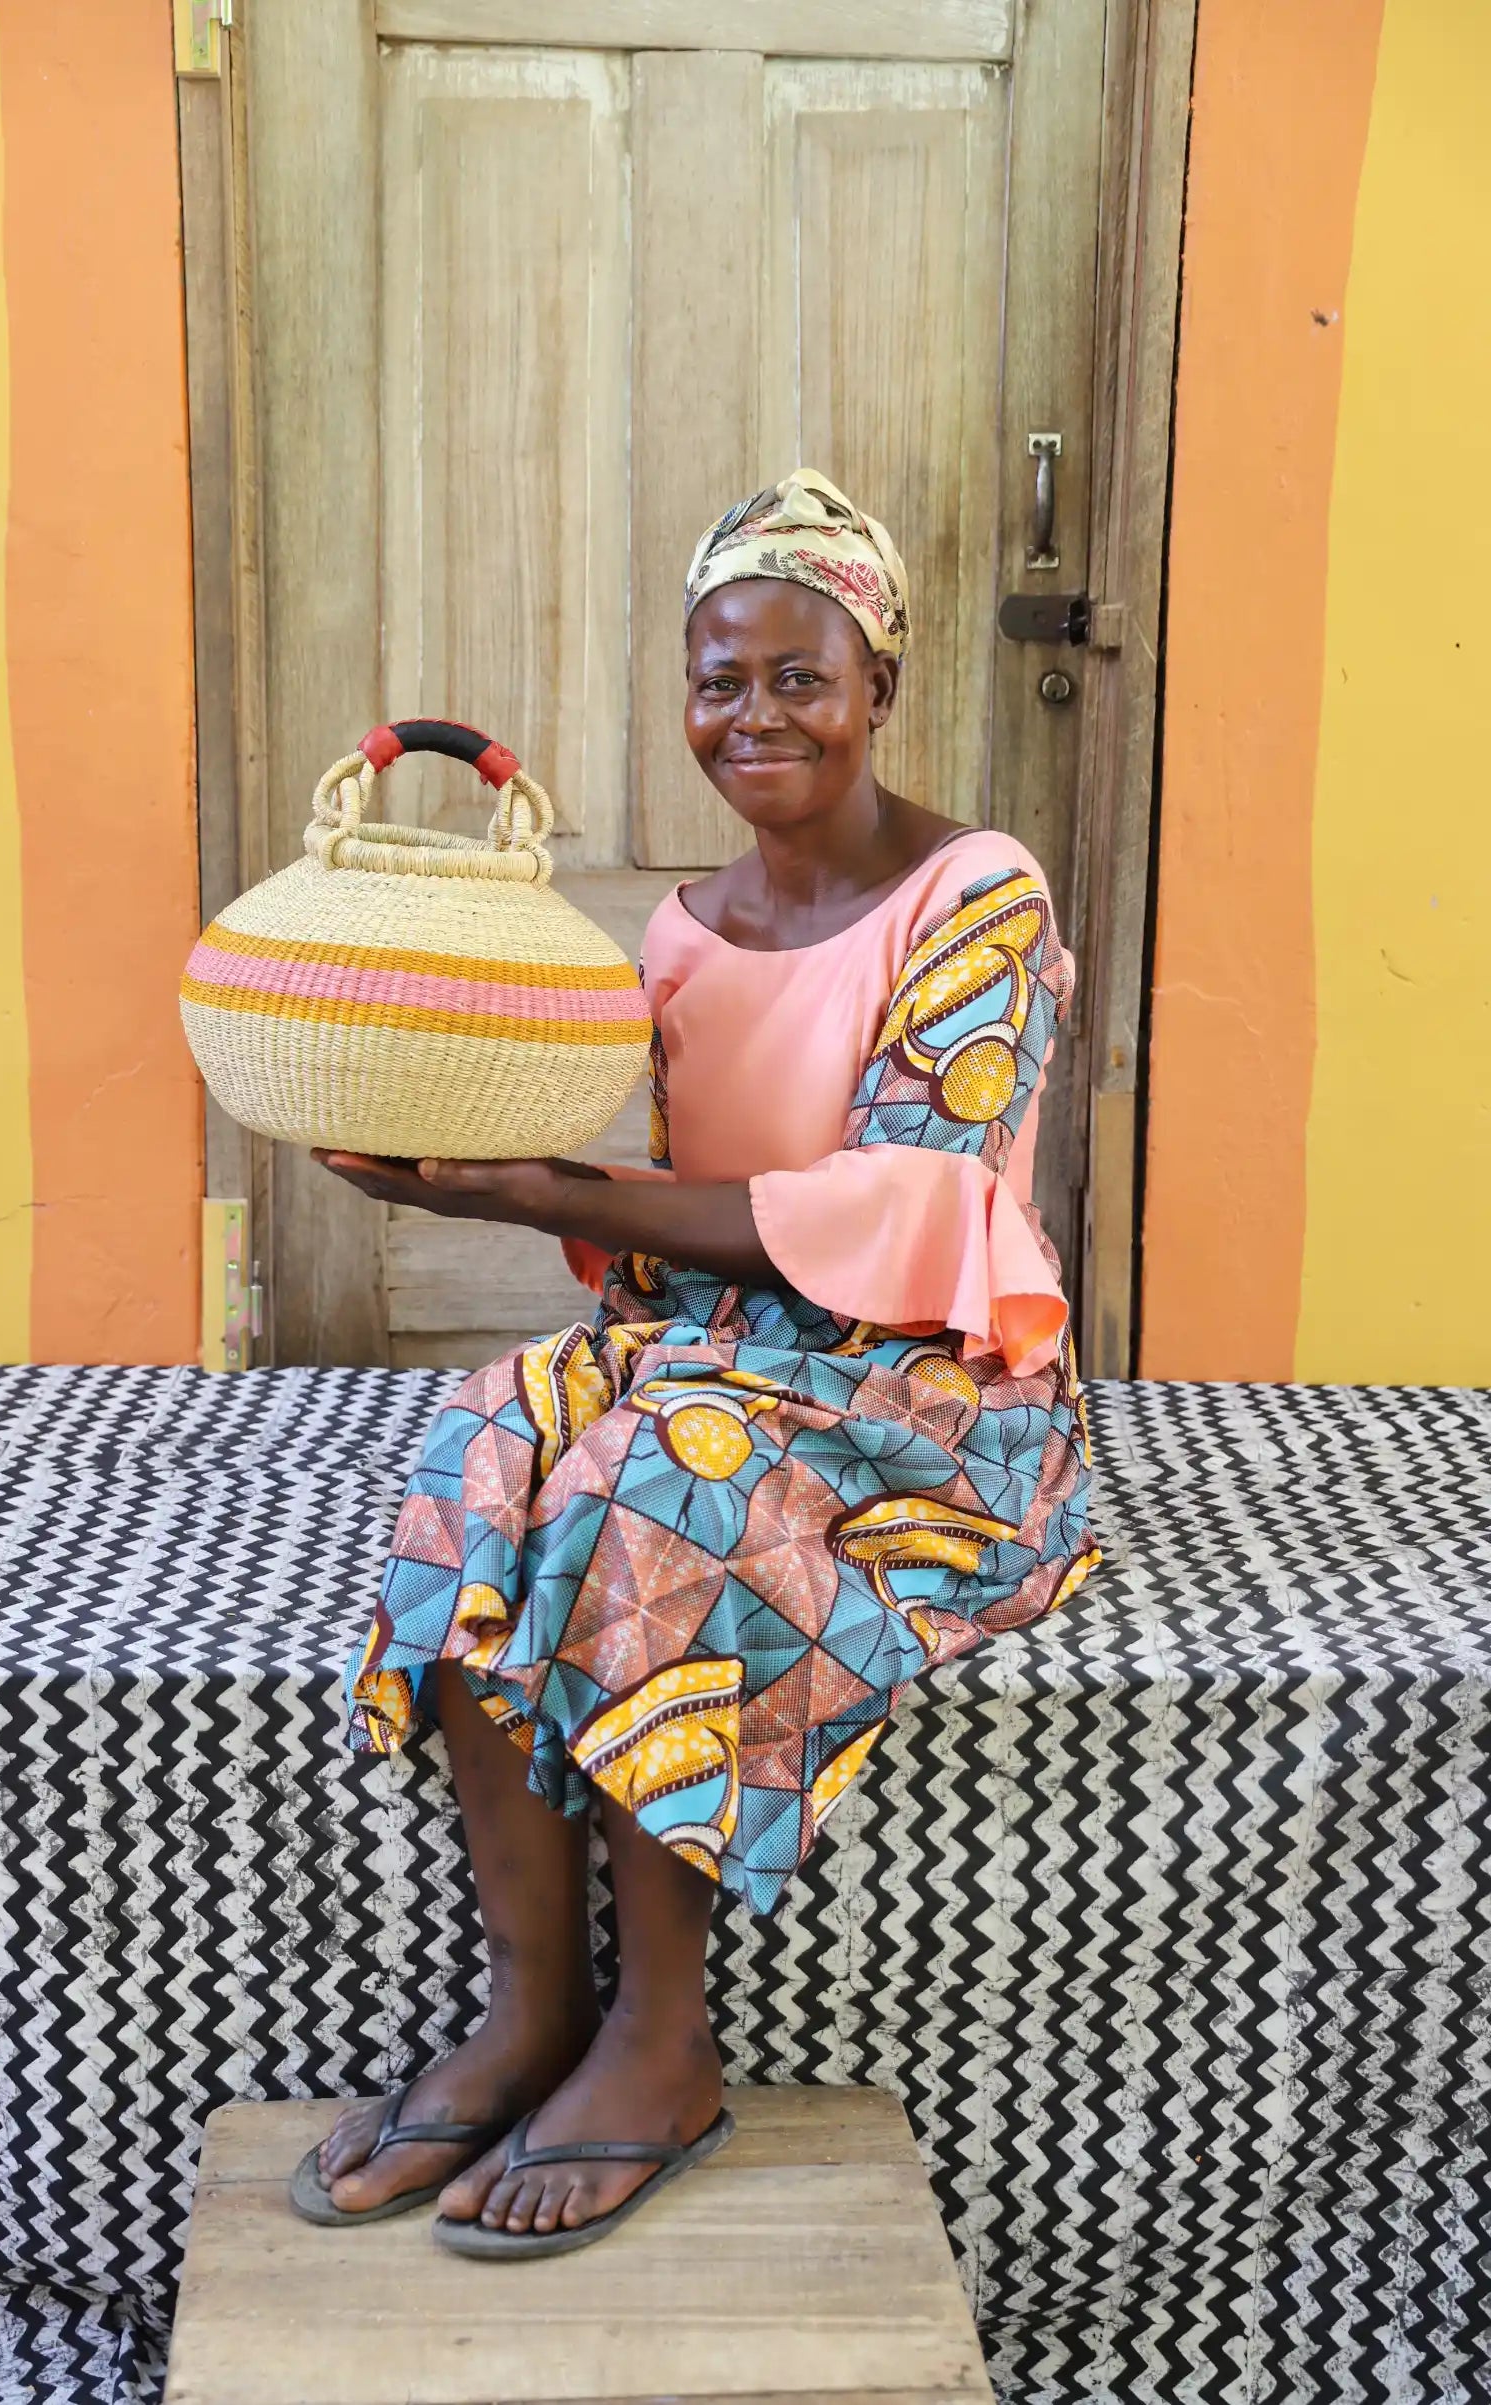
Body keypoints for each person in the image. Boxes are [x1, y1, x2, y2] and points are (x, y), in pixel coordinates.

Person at [294, 469, 1097, 2257]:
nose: (755, 716)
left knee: (665, 1481)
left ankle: (667, 2041)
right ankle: (535, 2005)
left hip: (931, 1392)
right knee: (497, 1432)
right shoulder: (678, 929)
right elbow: (666, 1226)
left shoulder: (978, 893)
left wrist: (537, 1195)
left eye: (799, 675)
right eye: (719, 677)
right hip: (713, 1340)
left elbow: (908, 1207)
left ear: (879, 680)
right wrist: (472, 1152)